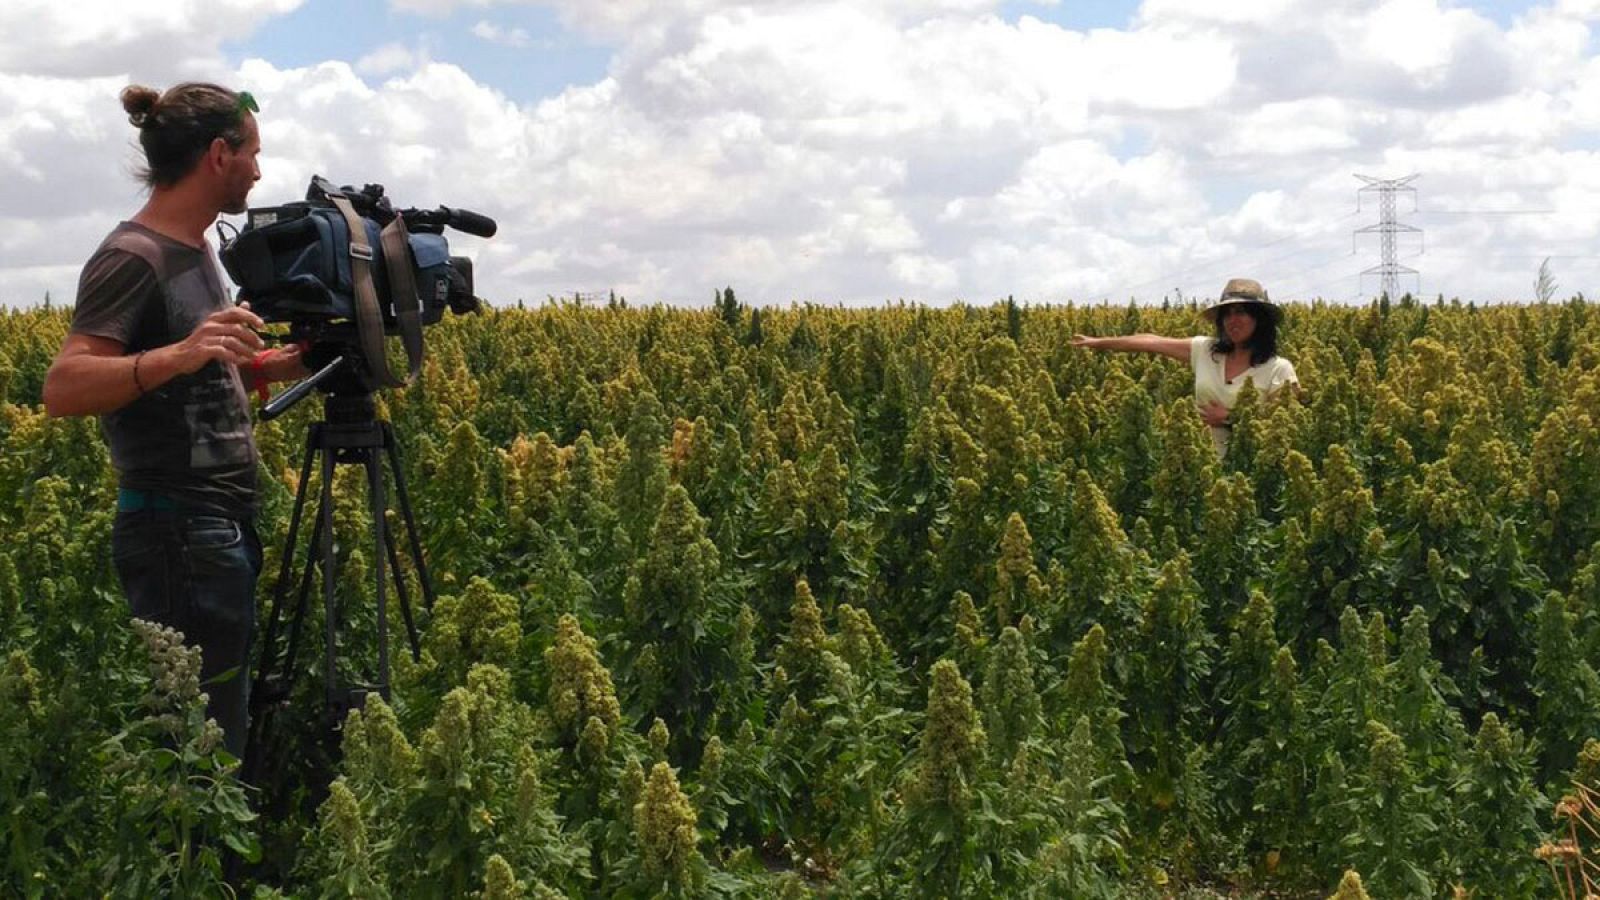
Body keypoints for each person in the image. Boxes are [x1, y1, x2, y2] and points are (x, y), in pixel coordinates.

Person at [42, 83, 306, 759]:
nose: (258, 170)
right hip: (177, 532)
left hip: (214, 527)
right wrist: (182, 353)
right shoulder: (135, 255)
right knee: (197, 753)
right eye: (252, 153)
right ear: (219, 154)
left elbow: (187, 375)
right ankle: (198, 866)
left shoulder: (197, 252)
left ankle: (214, 861)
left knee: (218, 734)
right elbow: (65, 386)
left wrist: (265, 369)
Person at [1071, 278, 1298, 458]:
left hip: (1251, 465)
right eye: (1227, 314)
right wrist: (1098, 343)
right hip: (1197, 458)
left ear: (1260, 319)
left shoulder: (1279, 369)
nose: (1232, 320)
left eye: (1241, 312)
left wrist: (1232, 417)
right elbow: (1151, 341)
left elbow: (1286, 426)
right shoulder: (1206, 351)